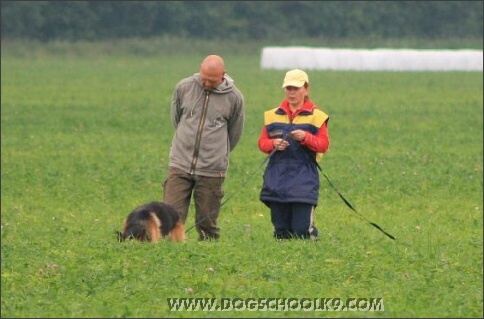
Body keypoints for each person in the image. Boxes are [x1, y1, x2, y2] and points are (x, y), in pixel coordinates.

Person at [162, 54, 245, 241]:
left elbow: (234, 133)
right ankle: (172, 254)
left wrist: (216, 153)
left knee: (206, 223)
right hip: (180, 163)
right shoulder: (184, 88)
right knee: (170, 217)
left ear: (223, 75)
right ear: (200, 69)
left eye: (212, 81)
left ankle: (207, 258)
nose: (207, 84)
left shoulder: (234, 97)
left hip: (211, 169)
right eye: (204, 78)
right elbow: (177, 119)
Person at [257, 69, 330, 240]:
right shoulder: (272, 115)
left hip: (303, 179)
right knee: (281, 231)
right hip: (277, 179)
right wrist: (273, 144)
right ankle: (284, 265)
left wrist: (306, 137)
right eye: (288, 88)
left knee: (302, 231)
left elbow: (323, 145)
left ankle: (310, 259)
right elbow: (262, 143)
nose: (291, 93)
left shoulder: (317, 117)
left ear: (306, 89)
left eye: (296, 88)